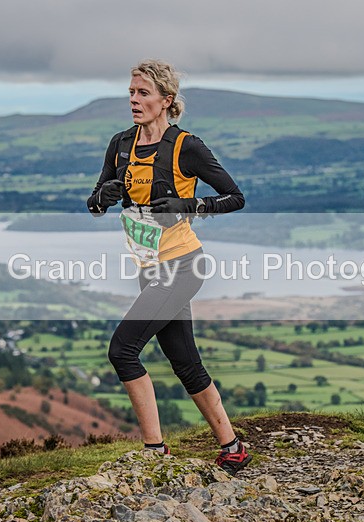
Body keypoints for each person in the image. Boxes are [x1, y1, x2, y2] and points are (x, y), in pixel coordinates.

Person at [87, 59, 251, 474]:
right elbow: (95, 203)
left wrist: (187, 205)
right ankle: (232, 447)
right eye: (131, 92)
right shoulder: (121, 144)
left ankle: (154, 450)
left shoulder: (186, 147)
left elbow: (235, 197)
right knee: (185, 362)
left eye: (143, 93)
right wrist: (102, 198)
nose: (133, 100)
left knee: (122, 350)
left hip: (182, 265)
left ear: (166, 100)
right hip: (149, 268)